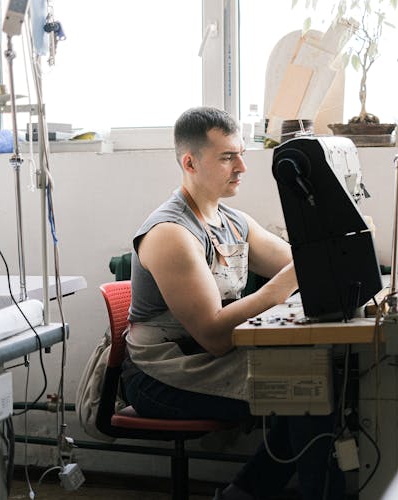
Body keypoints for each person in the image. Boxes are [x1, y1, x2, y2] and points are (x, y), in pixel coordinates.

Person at [122, 106, 344, 499]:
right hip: (163, 372)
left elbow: (300, 261)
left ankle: (242, 493)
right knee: (309, 389)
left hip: (203, 358)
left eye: (241, 153)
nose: (242, 166)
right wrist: (290, 279)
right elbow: (214, 335)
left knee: (321, 383)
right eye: (227, 157)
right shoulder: (171, 233)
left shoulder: (233, 222)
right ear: (190, 162)